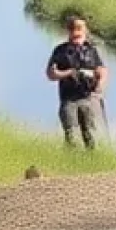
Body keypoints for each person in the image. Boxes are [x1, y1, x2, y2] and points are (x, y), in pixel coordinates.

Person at [46, 14, 108, 149]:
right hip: (69, 100)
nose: (76, 32)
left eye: (79, 29)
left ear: (85, 30)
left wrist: (100, 84)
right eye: (73, 29)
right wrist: (69, 72)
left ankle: (93, 166)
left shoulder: (91, 50)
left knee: (91, 136)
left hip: (89, 97)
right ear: (69, 31)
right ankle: (72, 165)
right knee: (72, 136)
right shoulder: (60, 50)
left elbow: (102, 70)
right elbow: (51, 74)